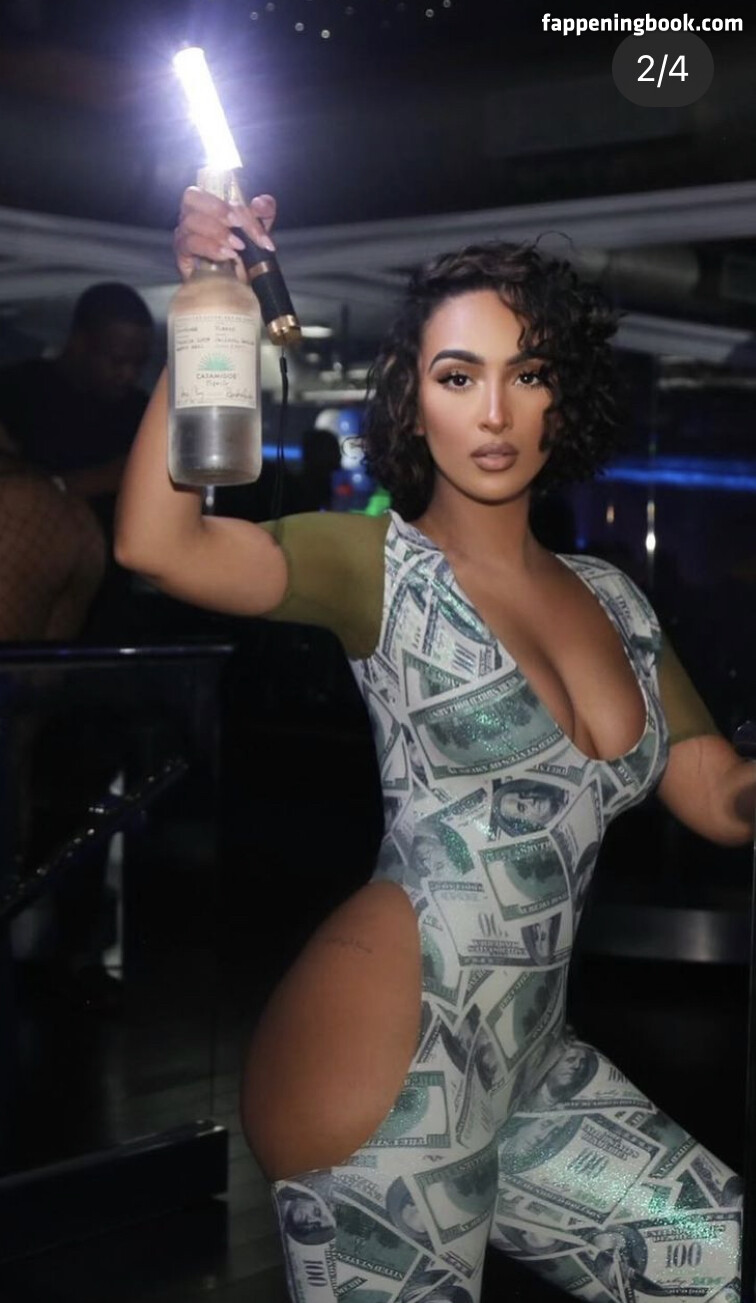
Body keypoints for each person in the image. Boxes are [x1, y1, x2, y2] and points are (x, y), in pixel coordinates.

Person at [116, 185, 751, 1302]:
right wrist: (207, 310)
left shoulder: (615, 601)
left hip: (534, 1068)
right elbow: (159, 546)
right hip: (386, 1067)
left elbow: (720, 797)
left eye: (528, 373)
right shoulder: (376, 564)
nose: (494, 412)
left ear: (561, 397)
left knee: (723, 1258)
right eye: (459, 377)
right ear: (414, 403)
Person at [0, 281, 153, 637]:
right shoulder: (17, 389)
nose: (128, 374)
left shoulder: (141, 412)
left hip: (113, 589)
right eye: (117, 360)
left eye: (138, 364)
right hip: (22, 570)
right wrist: (78, 484)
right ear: (80, 343)